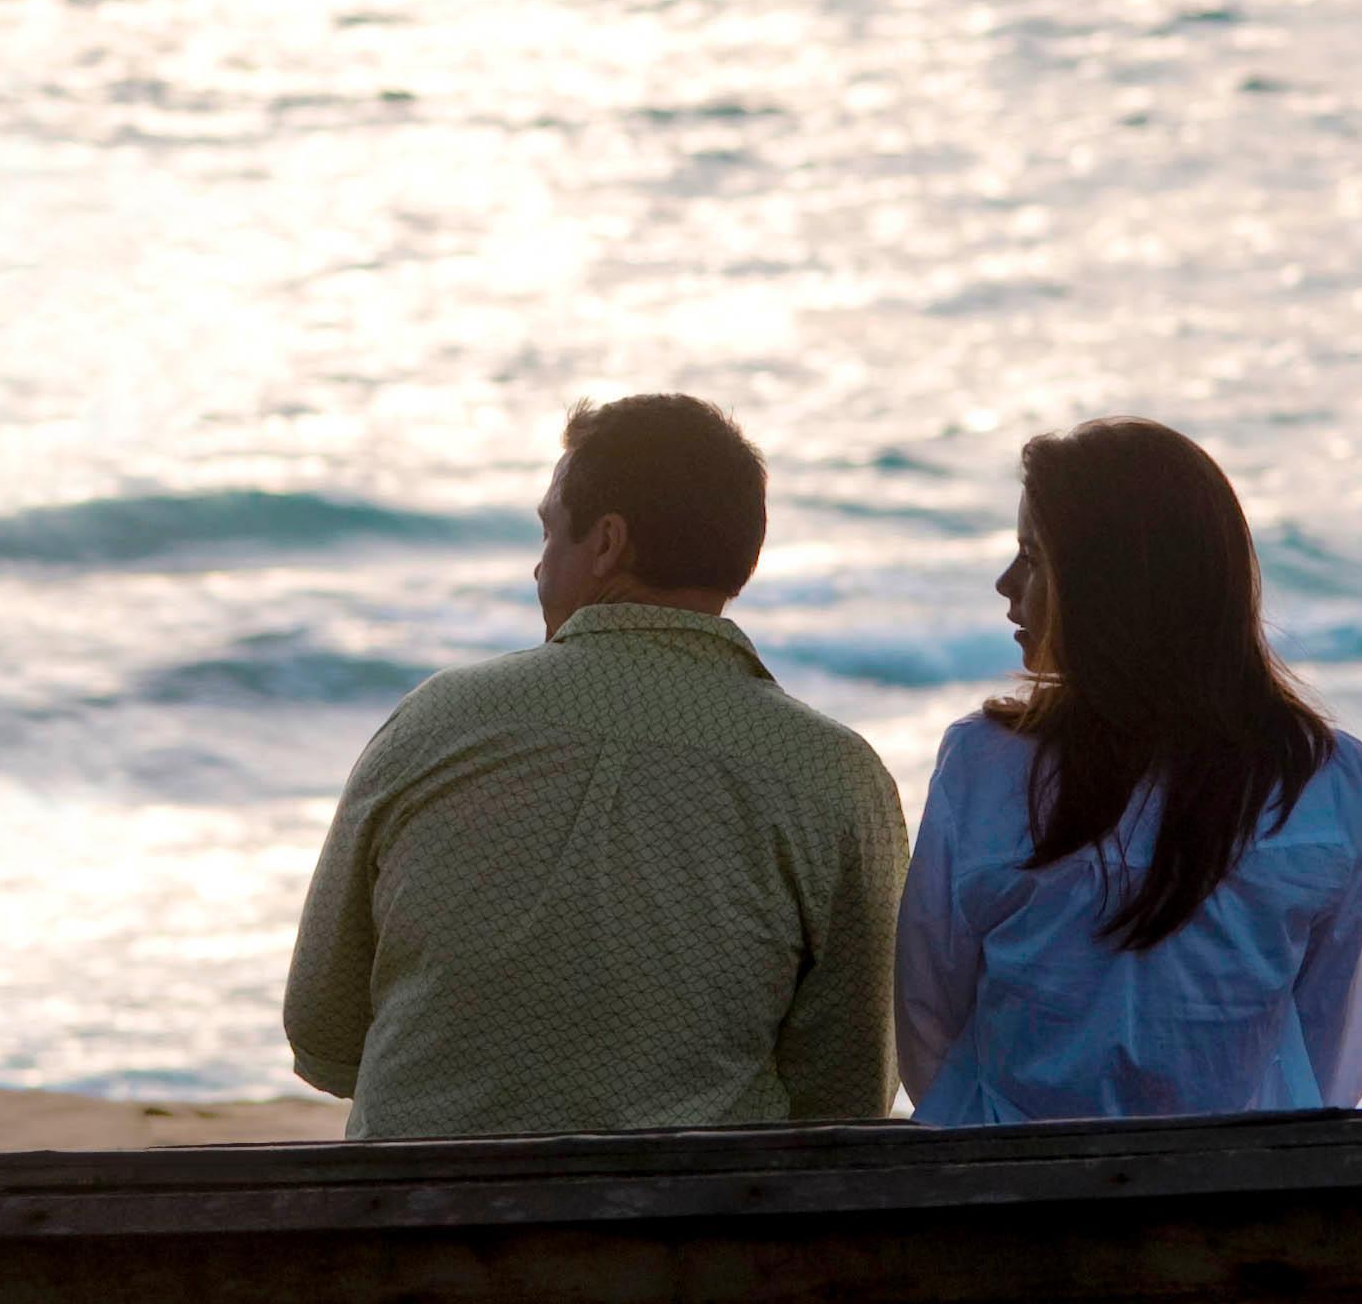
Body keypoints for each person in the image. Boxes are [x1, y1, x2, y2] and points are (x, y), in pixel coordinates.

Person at [283, 394, 906, 1140]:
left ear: (607, 543)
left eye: (549, 532)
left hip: (414, 1233)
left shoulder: (436, 722)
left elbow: (322, 1027)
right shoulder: (833, 775)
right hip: (689, 1244)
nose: (539, 567)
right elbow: (847, 1095)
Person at [901, 418, 1362, 1124]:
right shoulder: (1326, 776)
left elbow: (929, 1019)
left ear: (1107, 588)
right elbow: (1333, 1050)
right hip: (1244, 1189)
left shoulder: (983, 762)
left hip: (1008, 1191)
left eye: (1033, 558)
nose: (1005, 585)